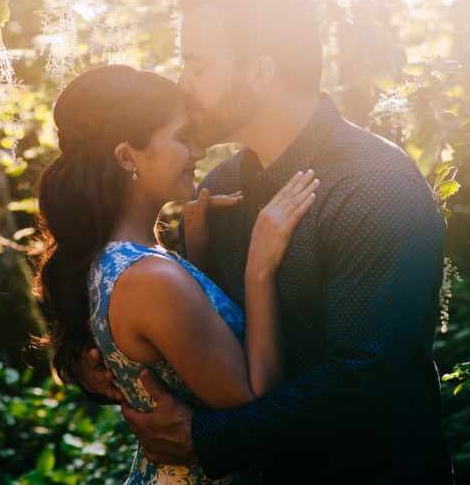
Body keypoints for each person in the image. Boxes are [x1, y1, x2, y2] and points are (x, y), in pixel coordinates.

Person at [76, 0, 454, 484]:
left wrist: (207, 440)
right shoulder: (221, 185)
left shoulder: (375, 188)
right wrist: (108, 364)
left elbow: (364, 379)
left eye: (198, 65)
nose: (183, 83)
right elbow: (203, 340)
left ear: (259, 71)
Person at [31, 64, 319, 484]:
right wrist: (260, 267)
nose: (199, 152)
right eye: (183, 138)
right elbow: (256, 404)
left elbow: (185, 354)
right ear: (129, 156)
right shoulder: (150, 278)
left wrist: (196, 257)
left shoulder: (120, 260)